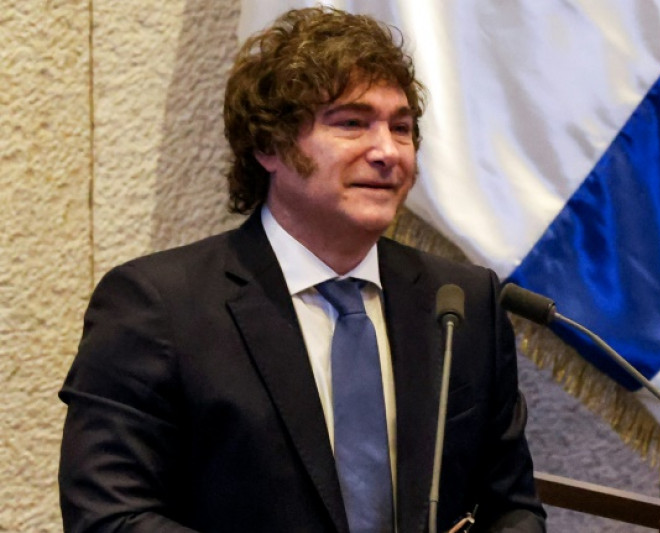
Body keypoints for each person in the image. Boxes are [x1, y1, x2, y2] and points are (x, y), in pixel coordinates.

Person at [58, 7, 545, 533]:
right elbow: (110, 516)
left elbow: (512, 507)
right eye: (352, 123)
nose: (388, 151)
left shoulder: (461, 302)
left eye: (401, 128)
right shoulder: (158, 307)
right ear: (270, 145)